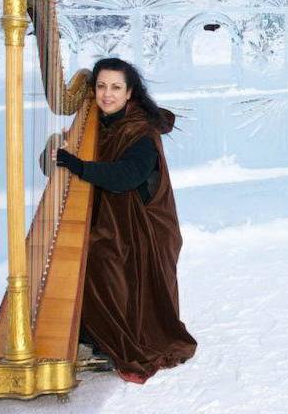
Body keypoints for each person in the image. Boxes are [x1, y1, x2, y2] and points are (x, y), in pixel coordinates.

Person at [55, 57, 197, 383]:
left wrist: (76, 164)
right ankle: (92, 335)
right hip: (116, 218)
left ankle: (105, 339)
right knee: (87, 250)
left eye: (116, 87)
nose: (107, 94)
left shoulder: (140, 132)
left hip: (145, 228)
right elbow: (85, 161)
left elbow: (124, 176)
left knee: (99, 255)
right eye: (101, 87)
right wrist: (63, 152)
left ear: (130, 93)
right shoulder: (99, 124)